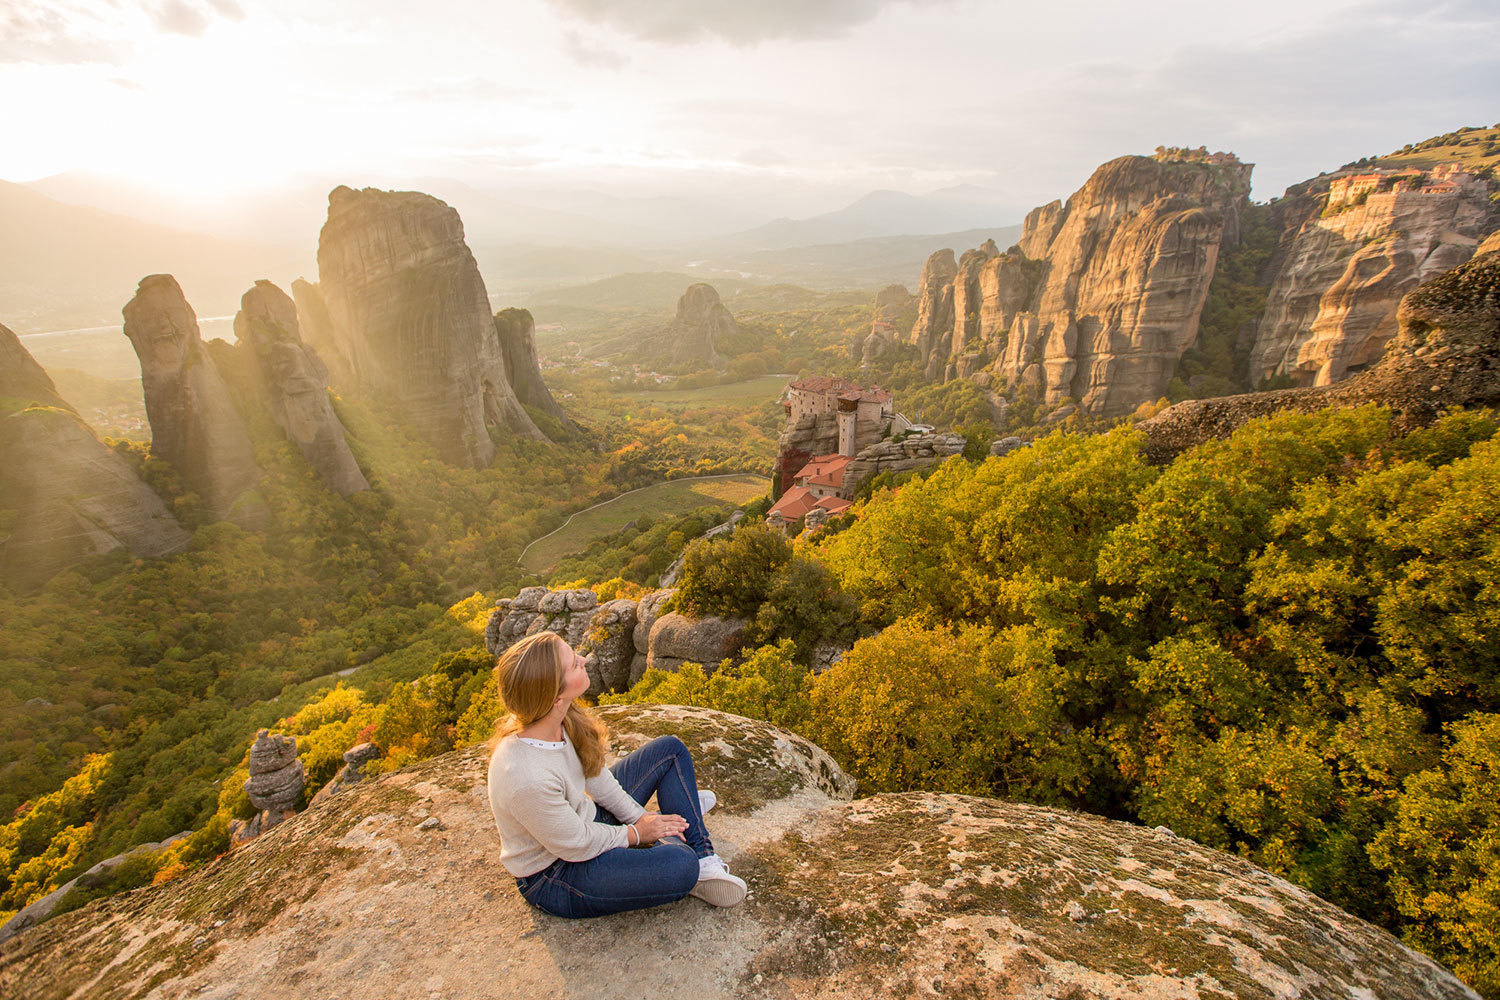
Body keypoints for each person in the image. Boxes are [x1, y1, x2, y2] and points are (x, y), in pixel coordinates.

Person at [486, 630, 747, 918]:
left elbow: (596, 777)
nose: (583, 660)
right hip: (557, 872)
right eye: (573, 664)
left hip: (584, 823)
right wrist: (636, 833)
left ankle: (703, 859)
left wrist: (641, 818)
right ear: (555, 696)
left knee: (670, 750)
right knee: (681, 865)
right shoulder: (525, 776)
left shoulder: (559, 718)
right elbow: (577, 843)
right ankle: (683, 821)